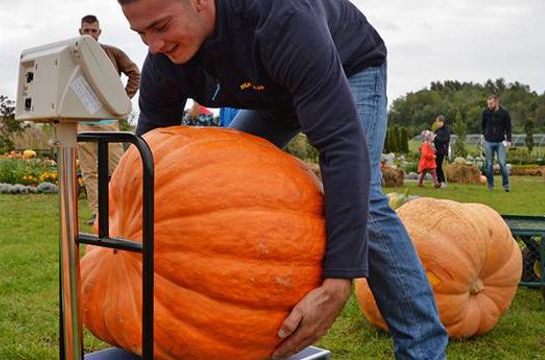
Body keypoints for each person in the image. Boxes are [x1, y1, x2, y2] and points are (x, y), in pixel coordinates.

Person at [118, 0, 447, 358]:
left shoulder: (283, 20)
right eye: (142, 33)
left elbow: (342, 149)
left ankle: (423, 347)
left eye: (161, 27)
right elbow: (148, 159)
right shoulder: (162, 61)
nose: (153, 45)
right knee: (219, 181)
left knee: (362, 199)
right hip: (273, 93)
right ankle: (247, 312)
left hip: (349, 65)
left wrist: (339, 279)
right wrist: (121, 224)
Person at [77, 14, 141, 225]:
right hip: (83, 120)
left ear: (99, 32)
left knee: (118, 168)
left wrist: (122, 99)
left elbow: (134, 72)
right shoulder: (73, 54)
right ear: (80, 32)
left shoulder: (112, 53)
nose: (89, 34)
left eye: (93, 31)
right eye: (86, 31)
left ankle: (121, 211)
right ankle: (98, 214)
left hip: (108, 121)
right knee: (89, 171)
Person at [481, 95, 512, 192]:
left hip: (500, 142)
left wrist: (509, 140)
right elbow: (483, 124)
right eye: (488, 104)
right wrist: (484, 134)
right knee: (489, 164)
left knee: (502, 163)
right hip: (488, 141)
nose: (489, 106)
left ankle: (506, 185)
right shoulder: (486, 112)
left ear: (496, 102)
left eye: (491, 104)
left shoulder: (504, 113)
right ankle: (490, 185)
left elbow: (508, 127)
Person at [433, 115, 451, 187]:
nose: (437, 123)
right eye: (437, 122)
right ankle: (438, 181)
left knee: (440, 166)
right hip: (436, 150)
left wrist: (437, 138)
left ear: (442, 122)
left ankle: (443, 181)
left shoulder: (446, 130)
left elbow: (446, 140)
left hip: (442, 151)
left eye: (438, 122)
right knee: (436, 166)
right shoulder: (438, 130)